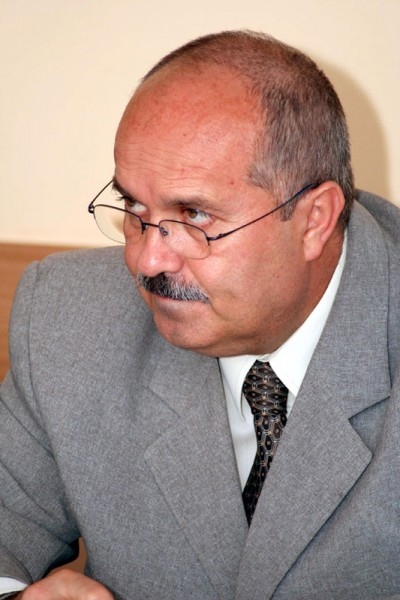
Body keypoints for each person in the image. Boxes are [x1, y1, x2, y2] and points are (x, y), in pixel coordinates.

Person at [0, 30, 399, 600]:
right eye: (134, 207)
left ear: (314, 220)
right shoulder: (66, 318)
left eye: (194, 216)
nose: (147, 260)